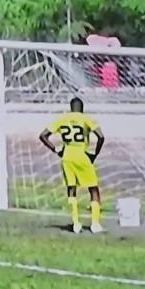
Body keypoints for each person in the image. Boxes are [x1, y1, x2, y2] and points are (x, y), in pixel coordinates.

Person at [39, 97, 106, 234]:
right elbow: (101, 136)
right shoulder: (86, 119)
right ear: (82, 108)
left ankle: (76, 223)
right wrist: (95, 153)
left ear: (71, 108)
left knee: (71, 189)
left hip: (67, 157)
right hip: (82, 155)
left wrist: (56, 150)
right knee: (93, 189)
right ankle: (95, 223)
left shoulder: (62, 119)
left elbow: (43, 135)